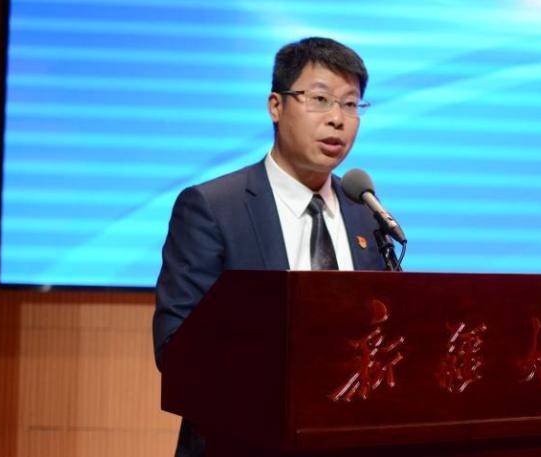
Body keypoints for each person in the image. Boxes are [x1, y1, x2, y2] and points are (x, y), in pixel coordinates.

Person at [152, 37, 387, 457]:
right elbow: (176, 350)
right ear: (275, 106)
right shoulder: (213, 209)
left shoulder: (366, 215)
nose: (337, 119)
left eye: (351, 104)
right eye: (320, 99)